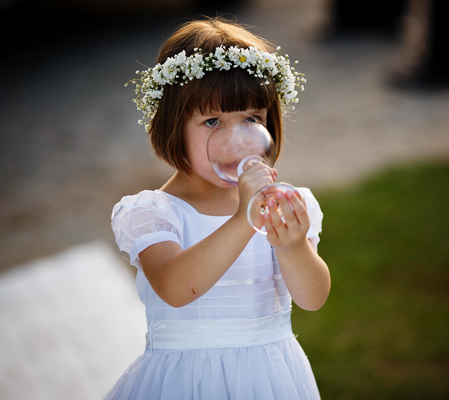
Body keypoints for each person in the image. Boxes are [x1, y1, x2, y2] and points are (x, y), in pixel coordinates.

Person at [104, 17, 331, 400]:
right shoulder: (154, 213)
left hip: (271, 380)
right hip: (183, 382)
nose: (236, 139)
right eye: (212, 121)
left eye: (251, 120)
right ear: (172, 125)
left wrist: (293, 247)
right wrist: (245, 218)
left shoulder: (284, 205)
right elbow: (177, 288)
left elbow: (313, 298)